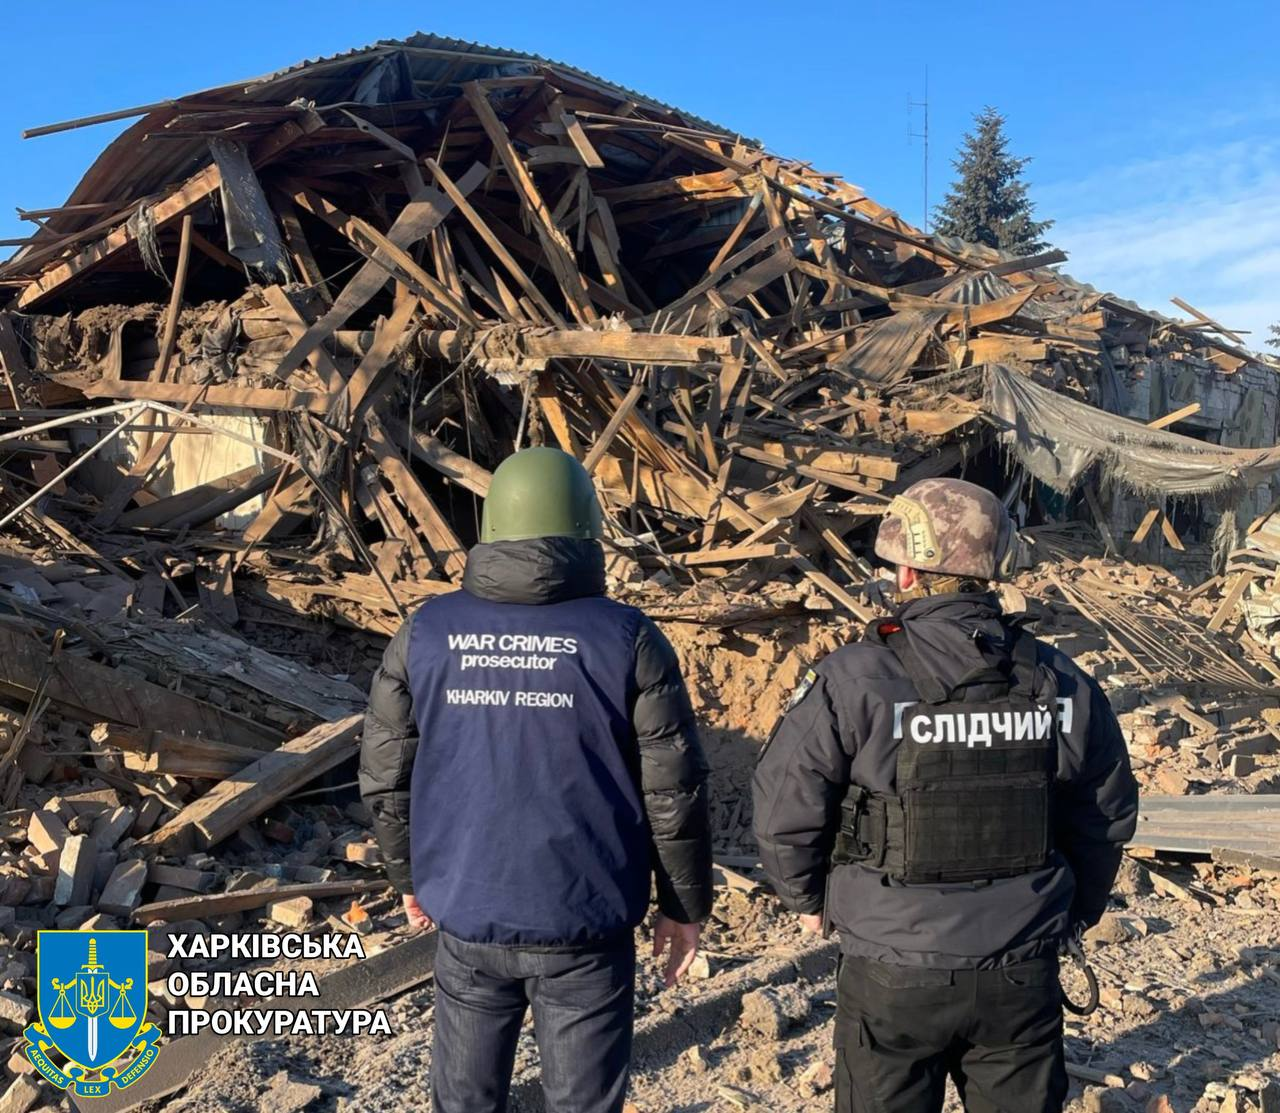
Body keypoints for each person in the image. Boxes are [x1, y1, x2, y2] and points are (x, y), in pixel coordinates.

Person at [753, 477, 1139, 1113]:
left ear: (907, 573)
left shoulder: (854, 678)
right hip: (1021, 966)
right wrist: (1076, 914)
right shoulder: (1061, 681)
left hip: (892, 965)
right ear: (992, 572)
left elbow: (782, 806)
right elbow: (1105, 815)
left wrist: (806, 900)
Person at [360, 446, 713, 1113]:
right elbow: (674, 787)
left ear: (492, 526)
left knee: (464, 1102)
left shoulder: (426, 633)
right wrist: (683, 904)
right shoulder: (627, 638)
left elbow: (386, 774)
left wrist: (409, 877)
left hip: (469, 914)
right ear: (587, 528)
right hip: (586, 922)